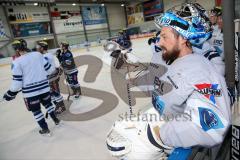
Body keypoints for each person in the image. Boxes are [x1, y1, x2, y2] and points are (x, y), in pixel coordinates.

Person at [106, 5, 231, 160]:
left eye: (164, 37)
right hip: (166, 125)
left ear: (183, 38)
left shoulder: (201, 72)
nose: (158, 43)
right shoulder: (166, 59)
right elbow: (155, 84)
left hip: (185, 144)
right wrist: (129, 71)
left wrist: (155, 137)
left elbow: (213, 126)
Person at [3, 39, 60, 135]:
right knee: (48, 104)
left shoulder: (16, 62)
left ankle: (45, 130)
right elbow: (50, 70)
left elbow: (17, 84)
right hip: (45, 88)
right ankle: (56, 120)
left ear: (16, 49)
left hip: (31, 93)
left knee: (36, 111)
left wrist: (10, 93)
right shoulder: (37, 55)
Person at [36, 41, 66, 115]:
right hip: (48, 79)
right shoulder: (46, 55)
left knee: (55, 93)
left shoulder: (47, 56)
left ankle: (61, 106)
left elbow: (56, 67)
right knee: (51, 94)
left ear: (42, 48)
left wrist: (57, 75)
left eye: (38, 47)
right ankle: (58, 105)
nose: (37, 49)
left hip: (52, 79)